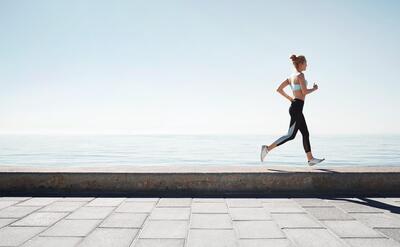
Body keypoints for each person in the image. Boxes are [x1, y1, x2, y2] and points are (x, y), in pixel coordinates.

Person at [260, 54, 325, 166]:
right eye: (305, 63)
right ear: (300, 64)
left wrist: (290, 98)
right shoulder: (301, 76)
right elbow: (304, 92)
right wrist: (314, 89)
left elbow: (279, 89)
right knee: (290, 135)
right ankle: (267, 148)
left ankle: (310, 159)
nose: (307, 65)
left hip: (296, 106)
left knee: (305, 133)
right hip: (297, 108)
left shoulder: (290, 78)